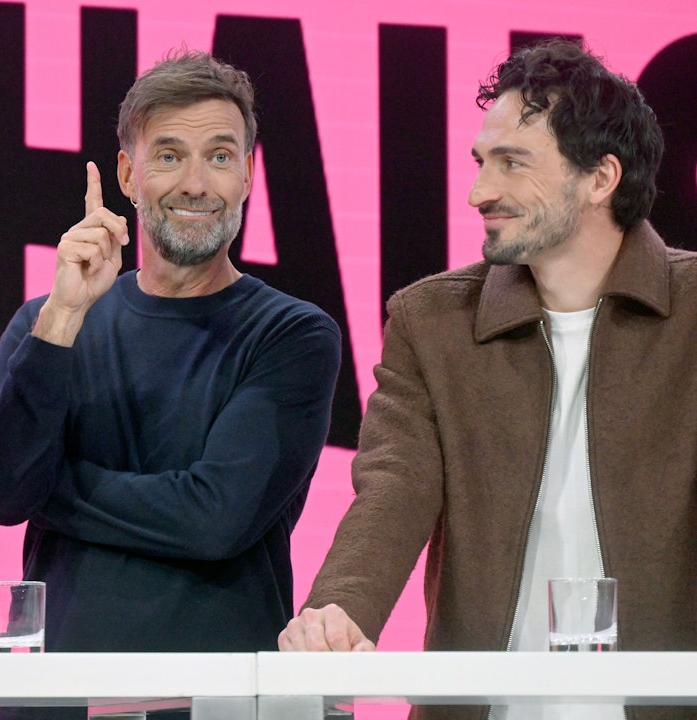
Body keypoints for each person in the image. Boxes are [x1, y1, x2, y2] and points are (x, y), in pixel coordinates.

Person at [277, 38, 691, 719]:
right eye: (479, 162)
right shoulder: (430, 321)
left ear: (599, 178)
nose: (478, 191)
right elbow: (392, 487)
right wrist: (336, 612)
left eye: (511, 164)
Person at [0, 50, 341, 671]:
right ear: (127, 174)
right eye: (168, 156)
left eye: (219, 157)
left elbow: (215, 519)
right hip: (61, 703)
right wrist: (61, 320)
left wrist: (48, 485)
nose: (196, 183)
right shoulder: (46, 323)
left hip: (216, 704)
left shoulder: (292, 335)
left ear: (247, 176)